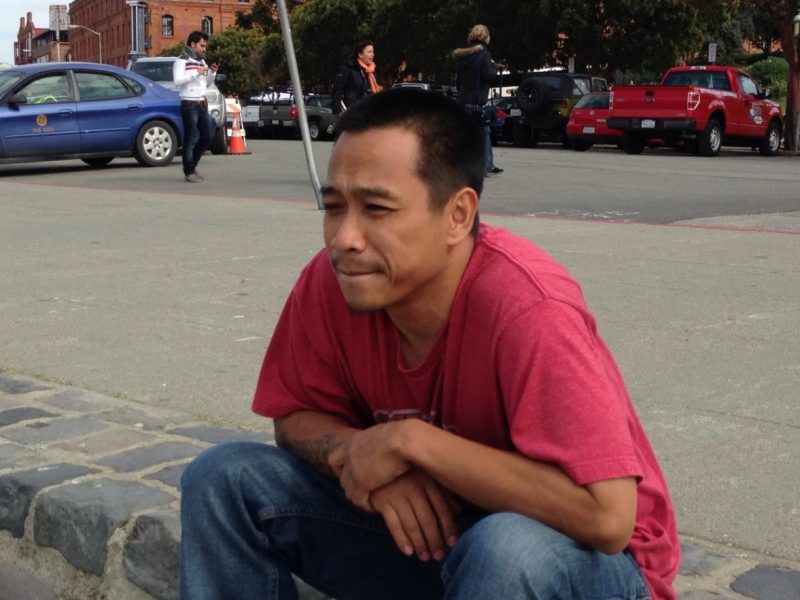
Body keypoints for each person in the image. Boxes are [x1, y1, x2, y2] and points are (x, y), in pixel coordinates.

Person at [179, 88, 680, 600]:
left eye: (376, 208)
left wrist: (411, 443)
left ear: (458, 215)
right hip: (430, 541)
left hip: (584, 566)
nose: (344, 238)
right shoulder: (336, 281)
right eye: (333, 207)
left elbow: (607, 517)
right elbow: (293, 419)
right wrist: (365, 460)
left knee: (505, 551)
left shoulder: (529, 307)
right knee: (221, 480)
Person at [454, 24, 503, 175]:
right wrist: (495, 67)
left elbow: (458, 83)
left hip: (464, 101)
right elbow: (488, 75)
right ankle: (485, 165)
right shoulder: (484, 55)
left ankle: (476, 165)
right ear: (486, 37)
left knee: (469, 134)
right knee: (483, 132)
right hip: (477, 101)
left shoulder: (463, 56)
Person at [173, 30, 217, 183]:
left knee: (207, 136)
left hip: (202, 102)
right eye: (201, 45)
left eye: (205, 46)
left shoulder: (201, 61)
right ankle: (189, 171)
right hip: (189, 103)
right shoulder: (182, 60)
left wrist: (212, 73)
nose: (204, 49)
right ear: (193, 44)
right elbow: (177, 81)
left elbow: (207, 83)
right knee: (191, 138)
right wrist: (196, 73)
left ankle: (192, 165)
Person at [331, 40, 381, 115]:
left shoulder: (370, 71)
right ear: (360, 54)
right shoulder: (348, 68)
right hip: (351, 112)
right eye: (369, 52)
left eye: (373, 52)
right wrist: (337, 111)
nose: (372, 54)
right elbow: (337, 89)